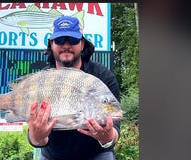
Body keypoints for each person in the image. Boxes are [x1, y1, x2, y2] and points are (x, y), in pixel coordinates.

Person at [27, 16, 121, 160]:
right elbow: (35, 139)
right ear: (51, 44)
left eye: (72, 40)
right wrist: (36, 138)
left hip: (97, 154)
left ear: (82, 44)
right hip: (53, 155)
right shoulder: (42, 81)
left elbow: (115, 132)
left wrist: (107, 137)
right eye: (59, 40)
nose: (66, 45)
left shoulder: (104, 77)